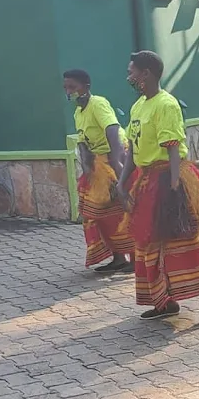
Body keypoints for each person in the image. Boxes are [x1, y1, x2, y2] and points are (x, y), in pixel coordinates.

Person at [119, 51, 199, 321]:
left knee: (183, 241)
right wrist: (122, 184)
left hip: (168, 179)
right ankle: (164, 301)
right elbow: (134, 149)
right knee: (147, 244)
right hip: (146, 181)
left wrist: (173, 186)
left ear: (146, 74)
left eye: (132, 71)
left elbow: (171, 149)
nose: (129, 76)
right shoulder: (138, 107)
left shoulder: (166, 104)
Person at [64, 70, 133, 273]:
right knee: (96, 213)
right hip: (98, 163)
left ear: (85, 87)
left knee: (123, 208)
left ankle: (137, 258)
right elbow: (83, 142)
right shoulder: (79, 113)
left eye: (73, 87)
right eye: (66, 88)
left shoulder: (98, 104)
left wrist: (117, 165)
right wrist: (88, 170)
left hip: (115, 158)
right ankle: (118, 257)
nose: (69, 92)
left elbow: (112, 129)